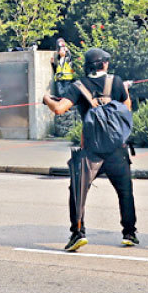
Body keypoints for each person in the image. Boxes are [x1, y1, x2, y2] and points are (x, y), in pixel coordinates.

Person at [41, 47, 137, 252]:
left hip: (91, 150)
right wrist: (124, 91)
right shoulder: (117, 82)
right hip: (117, 149)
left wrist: (47, 98)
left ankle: (78, 233)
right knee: (125, 191)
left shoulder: (78, 86)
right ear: (103, 64)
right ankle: (129, 233)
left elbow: (59, 109)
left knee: (77, 190)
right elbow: (127, 109)